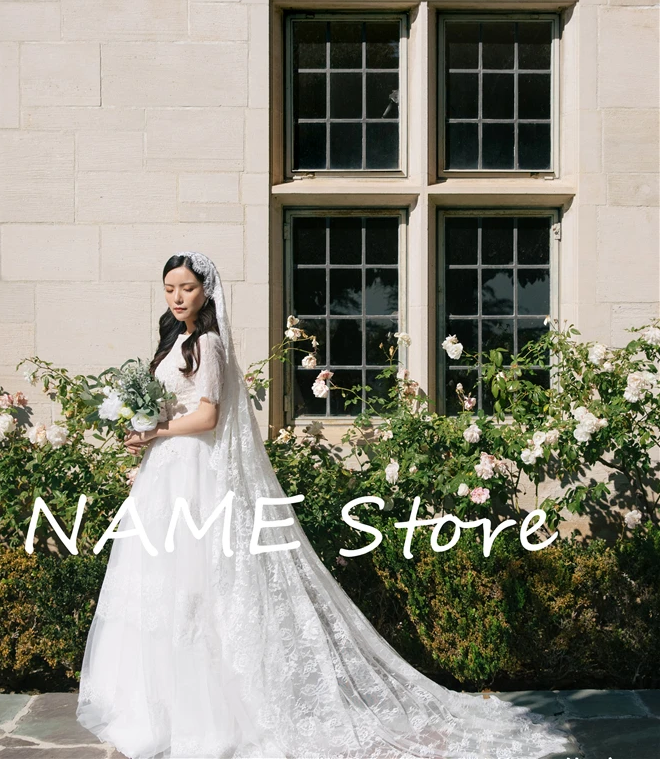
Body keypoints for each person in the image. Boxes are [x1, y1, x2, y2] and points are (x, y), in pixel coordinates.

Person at [75, 251, 572, 759]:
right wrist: (144, 432)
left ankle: (216, 713)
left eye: (186, 288)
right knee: (162, 587)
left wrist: (157, 428)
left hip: (197, 471)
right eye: (169, 289)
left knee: (201, 588)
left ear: (206, 291)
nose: (177, 298)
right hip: (167, 472)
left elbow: (206, 417)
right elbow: (172, 407)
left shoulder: (209, 344)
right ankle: (164, 706)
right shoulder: (174, 343)